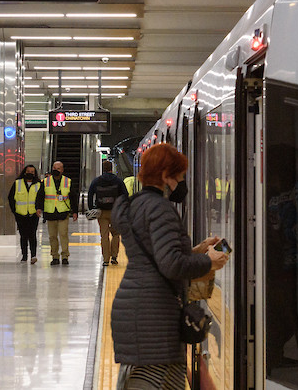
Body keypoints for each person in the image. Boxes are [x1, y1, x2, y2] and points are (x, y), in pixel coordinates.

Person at [111, 143, 229, 389]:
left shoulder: (136, 205)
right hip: (153, 312)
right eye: (180, 176)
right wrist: (209, 261)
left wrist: (196, 250)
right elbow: (171, 265)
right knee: (161, 380)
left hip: (136, 306)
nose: (182, 182)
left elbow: (154, 255)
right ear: (165, 175)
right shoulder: (160, 208)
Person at [86, 161, 125, 266]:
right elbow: (125, 195)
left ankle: (106, 260)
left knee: (104, 236)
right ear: (111, 168)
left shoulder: (97, 181)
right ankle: (114, 257)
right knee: (115, 234)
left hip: (102, 212)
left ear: (103, 169)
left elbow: (90, 194)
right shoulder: (118, 180)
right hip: (115, 212)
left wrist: (91, 208)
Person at [42, 160, 78, 266]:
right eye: (54, 168)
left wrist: (75, 211)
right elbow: (40, 195)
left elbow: (73, 197)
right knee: (52, 236)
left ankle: (65, 256)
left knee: (63, 234)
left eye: (58, 168)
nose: (56, 170)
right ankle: (55, 256)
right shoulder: (45, 182)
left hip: (63, 212)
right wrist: (39, 208)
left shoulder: (68, 181)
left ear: (62, 170)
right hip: (50, 212)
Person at [7, 164, 43, 264]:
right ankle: (24, 256)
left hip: (33, 214)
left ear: (35, 173)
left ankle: (33, 255)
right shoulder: (17, 183)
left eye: (32, 172)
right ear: (24, 172)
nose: (30, 173)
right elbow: (11, 197)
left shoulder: (39, 184)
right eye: (28, 171)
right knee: (23, 235)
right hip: (20, 214)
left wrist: (39, 209)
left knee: (32, 234)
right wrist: (14, 211)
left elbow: (41, 198)